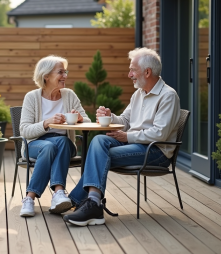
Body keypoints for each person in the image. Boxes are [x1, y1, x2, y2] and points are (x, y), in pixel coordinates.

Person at [63, 47, 181, 226]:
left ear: (147, 72)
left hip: (156, 152)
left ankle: (84, 202)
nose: (129, 74)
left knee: (100, 155)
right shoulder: (139, 94)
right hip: (136, 145)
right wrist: (110, 117)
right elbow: (125, 120)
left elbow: (160, 133)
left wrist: (127, 137)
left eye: (133, 70)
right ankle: (90, 202)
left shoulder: (168, 96)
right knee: (99, 141)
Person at [19, 55, 91, 217]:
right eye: (60, 72)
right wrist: (47, 123)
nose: (65, 76)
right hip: (36, 144)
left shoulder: (69, 95)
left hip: (64, 144)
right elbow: (24, 130)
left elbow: (87, 120)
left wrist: (79, 119)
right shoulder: (31, 97)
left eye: (65, 72)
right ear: (46, 76)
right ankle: (53, 193)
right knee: (50, 146)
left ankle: (36, 197)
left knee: (62, 142)